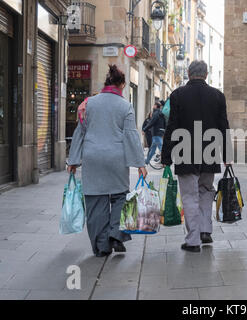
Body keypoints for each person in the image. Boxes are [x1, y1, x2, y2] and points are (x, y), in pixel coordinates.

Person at [67, 64, 147, 257]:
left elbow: (80, 132)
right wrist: (140, 163)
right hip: (116, 158)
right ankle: (115, 234)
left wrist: (74, 160)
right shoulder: (125, 106)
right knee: (120, 196)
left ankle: (102, 246)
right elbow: (131, 135)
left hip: (92, 157)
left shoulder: (88, 103)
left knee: (96, 202)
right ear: (120, 85)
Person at [161, 60, 231, 253]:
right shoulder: (218, 96)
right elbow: (224, 127)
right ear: (206, 75)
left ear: (189, 74)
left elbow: (172, 127)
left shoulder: (178, 95)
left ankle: (193, 240)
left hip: (185, 153)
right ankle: (205, 231)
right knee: (206, 191)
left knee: (190, 196)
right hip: (209, 152)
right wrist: (227, 154)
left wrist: (166, 155)